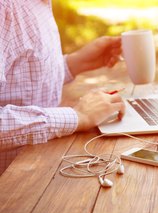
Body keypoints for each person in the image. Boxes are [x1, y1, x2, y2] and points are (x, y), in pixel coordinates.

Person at [0, 0, 126, 175]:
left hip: (43, 164)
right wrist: (78, 117)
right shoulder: (5, 9)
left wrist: (76, 63)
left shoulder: (39, 4)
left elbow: (22, 81)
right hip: (11, 186)